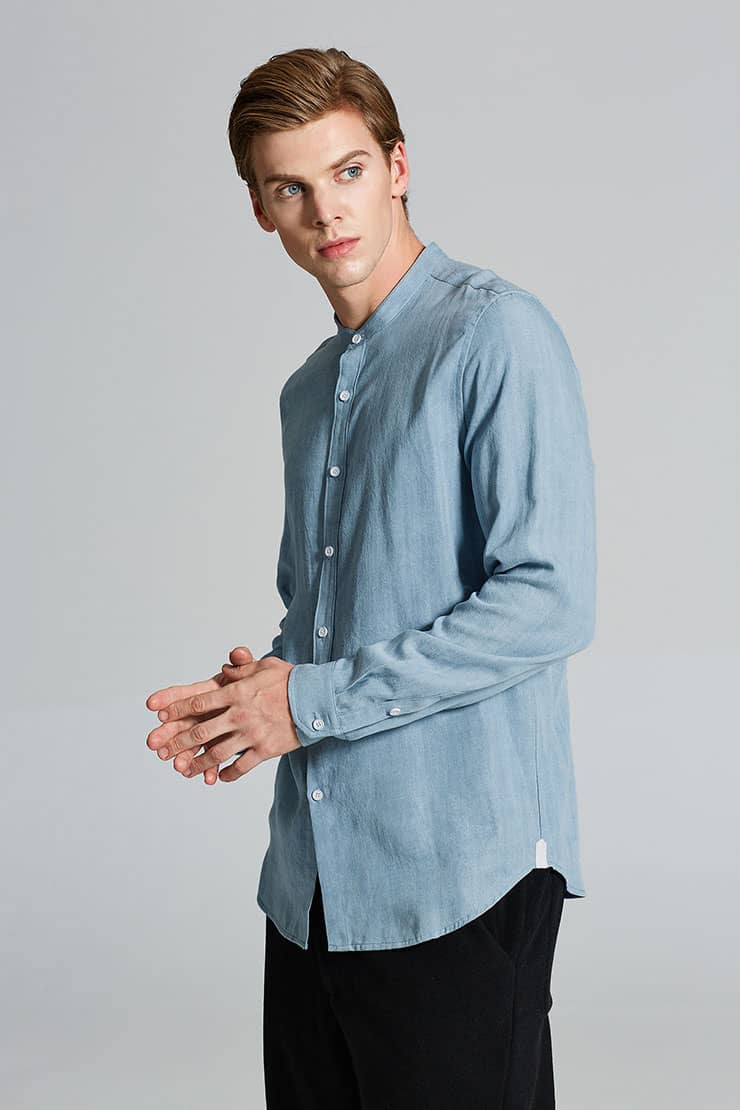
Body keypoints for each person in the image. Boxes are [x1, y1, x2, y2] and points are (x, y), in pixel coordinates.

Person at [145, 46, 597, 1110]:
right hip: (312, 884)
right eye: (289, 189)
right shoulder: (309, 393)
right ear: (260, 209)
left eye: (346, 171)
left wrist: (305, 701)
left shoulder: (495, 334)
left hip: (457, 874)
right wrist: (249, 698)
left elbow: (547, 598)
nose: (325, 212)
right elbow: (321, 617)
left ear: (397, 166)